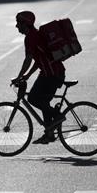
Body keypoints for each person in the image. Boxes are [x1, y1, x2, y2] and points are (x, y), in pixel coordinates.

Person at [11, 10, 66, 144]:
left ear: (25, 24)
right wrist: (28, 75)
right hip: (53, 73)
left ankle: (57, 116)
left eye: (18, 23)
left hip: (51, 75)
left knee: (33, 98)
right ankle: (49, 134)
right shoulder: (35, 35)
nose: (16, 26)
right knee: (43, 102)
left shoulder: (30, 37)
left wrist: (19, 77)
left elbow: (28, 59)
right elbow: (39, 59)